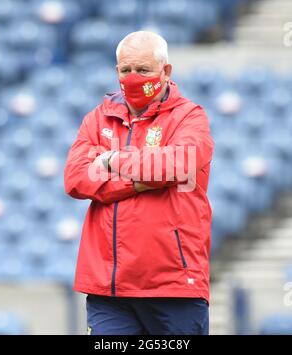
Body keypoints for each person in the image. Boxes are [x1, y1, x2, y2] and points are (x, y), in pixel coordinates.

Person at [64, 31, 214, 335]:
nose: (133, 78)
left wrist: (110, 160)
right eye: (125, 70)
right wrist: (137, 183)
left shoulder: (190, 117)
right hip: (110, 289)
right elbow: (75, 179)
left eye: (143, 70)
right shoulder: (98, 118)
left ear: (166, 71)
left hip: (174, 286)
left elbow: (175, 165)